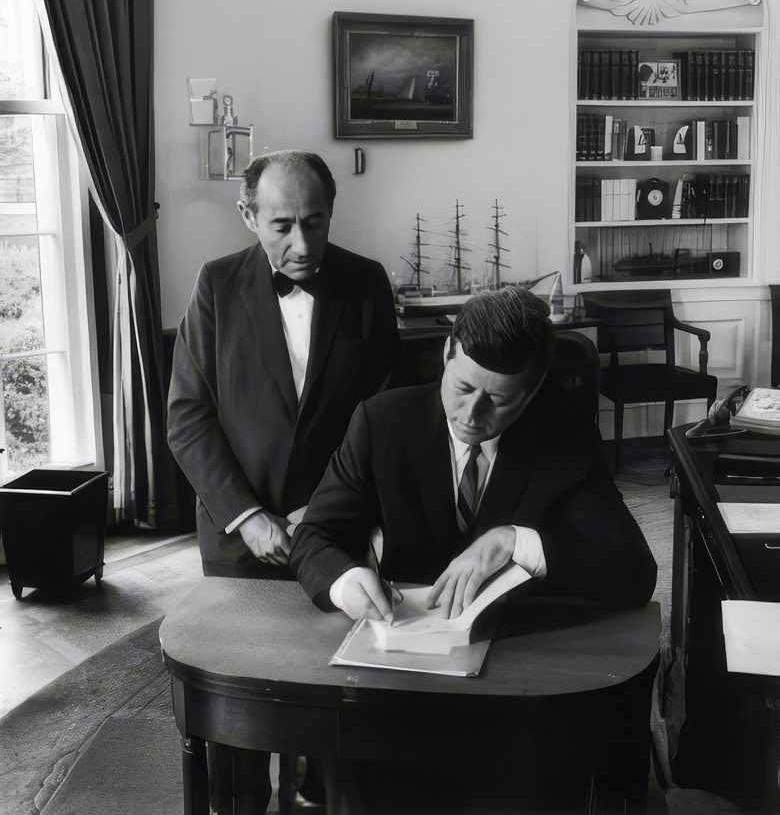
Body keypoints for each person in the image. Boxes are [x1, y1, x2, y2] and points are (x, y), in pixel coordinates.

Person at [289, 285, 657, 808]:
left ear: (531, 393)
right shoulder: (381, 420)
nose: (472, 414)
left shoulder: (563, 436)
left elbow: (632, 572)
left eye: (500, 400)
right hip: (404, 682)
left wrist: (517, 542)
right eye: (462, 387)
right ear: (447, 355)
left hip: (517, 690)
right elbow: (315, 538)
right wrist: (347, 582)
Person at [167, 149, 399, 814]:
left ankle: (321, 797)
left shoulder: (366, 282)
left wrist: (323, 514)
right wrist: (247, 515)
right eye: (282, 225)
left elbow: (380, 413)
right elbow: (187, 418)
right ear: (248, 215)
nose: (302, 243)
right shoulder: (214, 286)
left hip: (333, 532)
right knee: (240, 707)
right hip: (240, 538)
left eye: (316, 223)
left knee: (337, 693)